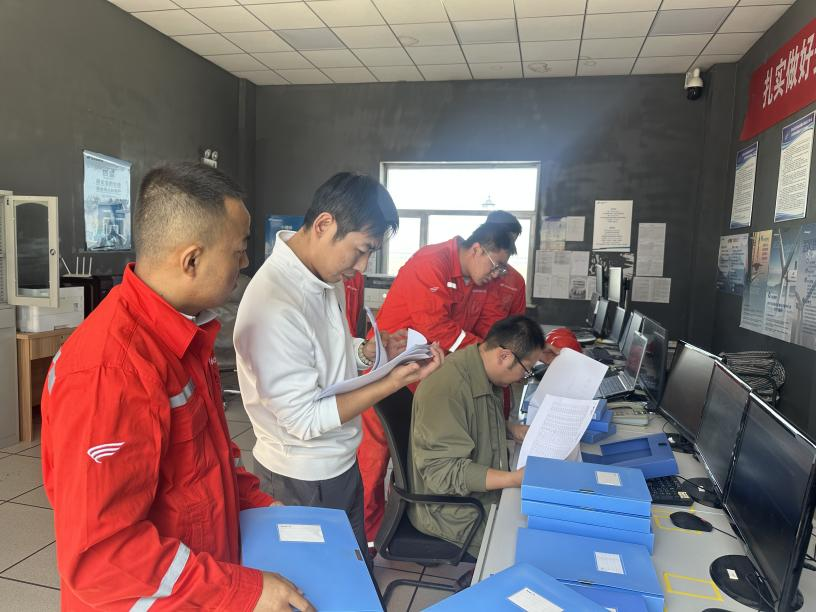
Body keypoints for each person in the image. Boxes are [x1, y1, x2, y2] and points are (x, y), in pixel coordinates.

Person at [41, 162, 314, 611]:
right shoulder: (112, 372)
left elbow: (206, 461)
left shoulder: (181, 336)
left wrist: (261, 507)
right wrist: (242, 591)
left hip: (198, 583)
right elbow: (101, 558)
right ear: (191, 260)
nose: (245, 262)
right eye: (238, 250)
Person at [234, 172, 444, 557]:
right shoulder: (274, 304)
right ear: (324, 224)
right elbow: (304, 420)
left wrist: (366, 351)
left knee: (352, 571)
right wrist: (393, 382)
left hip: (339, 464)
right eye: (361, 250)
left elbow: (322, 350)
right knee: (315, 583)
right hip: (300, 479)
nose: (362, 266)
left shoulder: (321, 276)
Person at [358, 221, 520, 543]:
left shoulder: (478, 280)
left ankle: (401, 520)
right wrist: (484, 356)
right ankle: (368, 540)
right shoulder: (431, 263)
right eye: (496, 265)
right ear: (477, 250)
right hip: (386, 376)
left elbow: (486, 331)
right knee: (373, 463)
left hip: (424, 378)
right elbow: (439, 330)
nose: (497, 274)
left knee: (410, 461)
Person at [408, 315, 546, 558]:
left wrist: (509, 428)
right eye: (525, 371)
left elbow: (469, 418)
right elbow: (442, 473)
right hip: (451, 511)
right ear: (505, 356)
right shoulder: (448, 389)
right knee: (533, 546)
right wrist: (512, 479)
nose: (522, 378)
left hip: (475, 495)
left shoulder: (478, 367)